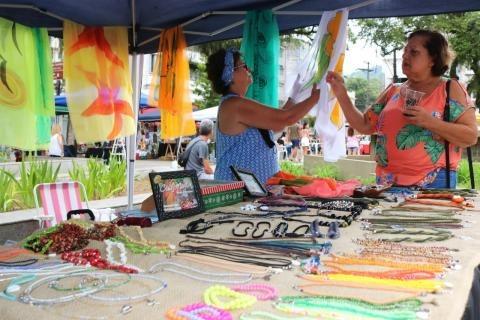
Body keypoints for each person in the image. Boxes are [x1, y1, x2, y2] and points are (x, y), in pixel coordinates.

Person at [327, 30, 477, 188]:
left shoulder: (449, 88)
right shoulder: (394, 90)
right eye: (405, 51)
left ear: (432, 59)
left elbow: (471, 136)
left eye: (414, 52)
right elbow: (365, 125)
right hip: (387, 182)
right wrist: (341, 93)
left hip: (433, 182)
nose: (405, 56)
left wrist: (430, 122)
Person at [206, 48, 320, 184]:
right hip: (238, 190)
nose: (248, 69)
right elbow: (284, 119)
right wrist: (315, 98)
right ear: (230, 74)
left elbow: (275, 124)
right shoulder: (234, 105)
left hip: (250, 189)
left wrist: (293, 98)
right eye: (243, 66)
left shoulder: (234, 103)